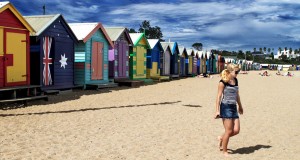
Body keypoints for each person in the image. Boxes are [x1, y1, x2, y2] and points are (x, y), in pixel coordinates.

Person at [214, 63, 244, 157]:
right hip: (226, 107)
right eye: (236, 71)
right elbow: (218, 97)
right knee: (229, 131)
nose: (238, 73)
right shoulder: (223, 82)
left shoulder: (235, 80)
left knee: (236, 130)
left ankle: (221, 138)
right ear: (230, 71)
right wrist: (217, 110)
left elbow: (237, 95)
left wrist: (240, 106)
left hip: (233, 107)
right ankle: (224, 151)